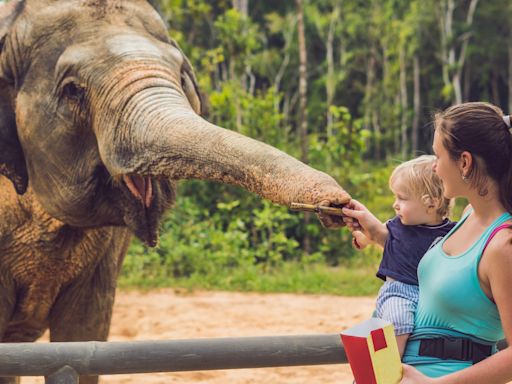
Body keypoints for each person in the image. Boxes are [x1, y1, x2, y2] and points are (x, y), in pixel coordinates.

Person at [343, 102, 512, 383]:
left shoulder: (503, 244)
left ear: (465, 162)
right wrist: (377, 234)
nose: (434, 167)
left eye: (438, 156)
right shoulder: (469, 217)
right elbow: (452, 274)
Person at [345, 155, 455, 357]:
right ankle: (390, 368)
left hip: (430, 295)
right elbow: (372, 235)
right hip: (400, 292)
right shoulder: (396, 226)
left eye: (402, 198)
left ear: (431, 203)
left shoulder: (452, 232)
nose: (395, 204)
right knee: (399, 320)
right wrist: (361, 238)